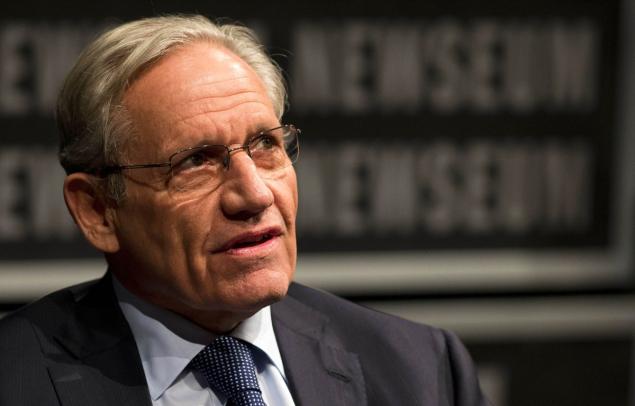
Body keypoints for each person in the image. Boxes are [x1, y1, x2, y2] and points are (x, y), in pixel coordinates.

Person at [0, 15, 489, 406]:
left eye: (265, 145)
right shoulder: (15, 378)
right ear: (98, 210)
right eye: (195, 161)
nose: (255, 196)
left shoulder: (421, 369)